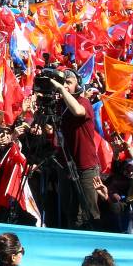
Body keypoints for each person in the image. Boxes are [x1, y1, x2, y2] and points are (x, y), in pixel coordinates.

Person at [52, 69, 101, 229]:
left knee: (90, 213)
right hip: (65, 165)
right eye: (62, 82)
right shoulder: (59, 105)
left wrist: (60, 89)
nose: (64, 85)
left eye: (68, 83)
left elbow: (78, 111)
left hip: (85, 167)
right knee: (70, 212)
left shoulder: (83, 101)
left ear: (77, 85)